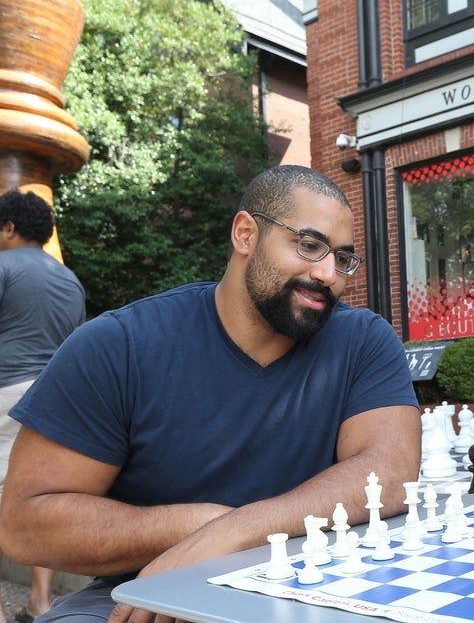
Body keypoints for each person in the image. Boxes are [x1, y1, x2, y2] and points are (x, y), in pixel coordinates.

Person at [0, 166, 422, 623]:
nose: (328, 273)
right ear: (245, 234)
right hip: (152, 585)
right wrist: (199, 528)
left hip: (319, 584)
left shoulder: (363, 340)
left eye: (342, 257)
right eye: (309, 245)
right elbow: (25, 525)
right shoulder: (119, 345)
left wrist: (238, 533)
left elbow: (391, 471)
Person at [0, 191, 86, 623]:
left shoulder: (2, 266)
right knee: (39, 501)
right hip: (52, 399)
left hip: (5, 392)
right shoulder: (70, 280)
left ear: (9, 227)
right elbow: (78, 346)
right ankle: (41, 601)